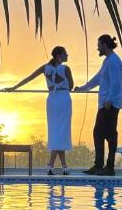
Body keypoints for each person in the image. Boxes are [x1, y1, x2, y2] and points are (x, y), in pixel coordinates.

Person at [5, 46, 74, 175]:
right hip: (64, 99)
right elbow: (71, 86)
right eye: (66, 54)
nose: (67, 56)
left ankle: (57, 165)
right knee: (61, 131)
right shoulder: (66, 69)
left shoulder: (45, 68)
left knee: (55, 132)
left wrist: (14, 87)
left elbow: (29, 78)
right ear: (59, 55)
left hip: (52, 100)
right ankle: (54, 165)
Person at [74, 34, 122, 176]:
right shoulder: (107, 61)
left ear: (105, 45)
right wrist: (83, 88)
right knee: (99, 133)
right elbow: (98, 79)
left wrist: (110, 100)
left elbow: (116, 83)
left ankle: (108, 167)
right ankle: (100, 166)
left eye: (99, 45)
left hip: (110, 104)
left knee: (109, 135)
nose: (97, 48)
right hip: (105, 104)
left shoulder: (113, 61)